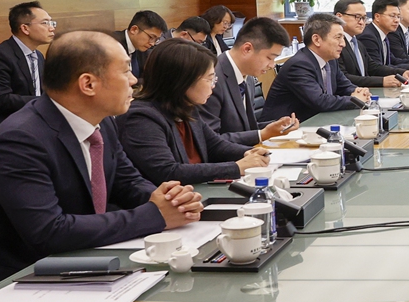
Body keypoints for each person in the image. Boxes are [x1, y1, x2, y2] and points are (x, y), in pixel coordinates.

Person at [0, 31, 203, 290]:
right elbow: (49, 231)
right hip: (0, 284)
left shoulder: (101, 122)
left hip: (71, 264)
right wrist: (154, 215)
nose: (134, 80)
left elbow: (125, 180)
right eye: (126, 71)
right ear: (88, 84)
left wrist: (170, 200)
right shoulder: (19, 140)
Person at [118, 39, 271, 186]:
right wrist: (236, 167)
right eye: (209, 79)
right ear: (183, 81)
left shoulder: (186, 107)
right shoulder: (142, 118)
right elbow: (168, 172)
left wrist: (250, 153)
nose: (213, 85)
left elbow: (215, 145)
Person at [198, 17, 299, 146]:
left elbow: (245, 127)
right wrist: (262, 134)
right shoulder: (212, 79)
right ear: (247, 49)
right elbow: (209, 141)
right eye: (270, 57)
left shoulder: (248, 76)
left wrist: (276, 126)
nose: (272, 65)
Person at [0, 1, 56, 154]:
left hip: (28, 125)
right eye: (45, 23)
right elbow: (2, 100)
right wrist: (47, 102)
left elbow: (39, 92)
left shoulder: (37, 55)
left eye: (52, 22)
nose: (52, 27)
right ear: (25, 28)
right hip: (0, 132)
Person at [261, 13, 370, 122]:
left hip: (315, 123)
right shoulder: (299, 65)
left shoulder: (331, 61)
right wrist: (354, 100)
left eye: (343, 38)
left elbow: (344, 86)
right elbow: (320, 101)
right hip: (283, 130)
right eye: (338, 37)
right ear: (317, 40)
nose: (343, 44)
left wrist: (359, 92)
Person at [333, 0, 409, 88]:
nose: (362, 22)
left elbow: (373, 67)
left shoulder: (357, 42)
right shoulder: (335, 44)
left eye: (364, 18)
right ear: (339, 17)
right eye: (357, 17)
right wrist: (382, 81)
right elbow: (342, 77)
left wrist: (402, 72)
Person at [358, 0, 409, 73]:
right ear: (377, 17)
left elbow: (393, 60)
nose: (396, 20)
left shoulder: (383, 34)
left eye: (398, 16)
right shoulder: (368, 37)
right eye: (392, 16)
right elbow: (376, 68)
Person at [111, 10, 167, 79]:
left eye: (156, 40)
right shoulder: (112, 45)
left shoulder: (142, 48)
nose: (152, 43)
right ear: (134, 30)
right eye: (151, 37)